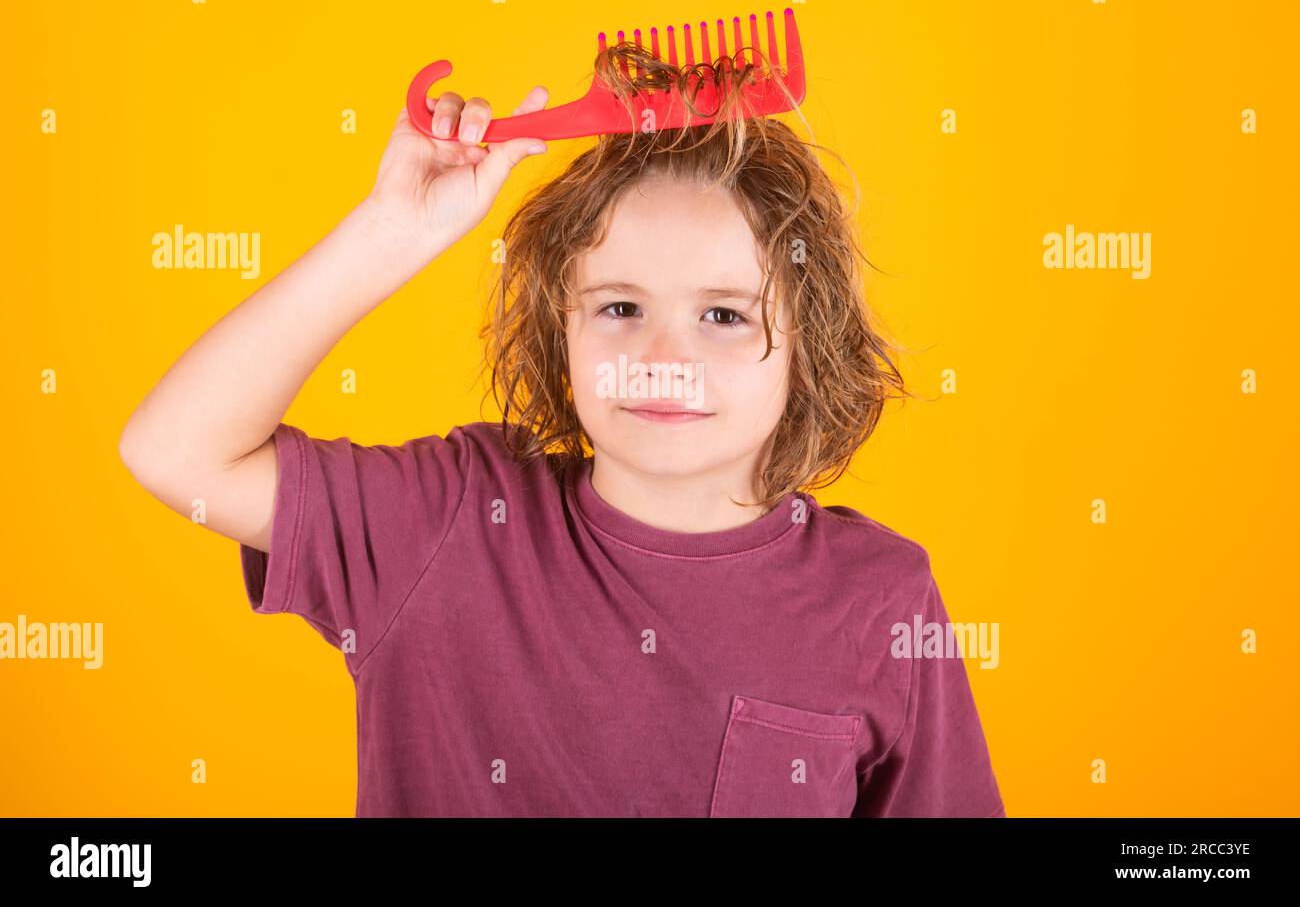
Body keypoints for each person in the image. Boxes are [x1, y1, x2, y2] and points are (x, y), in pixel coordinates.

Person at [119, 41, 1005, 817]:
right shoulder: (448, 519)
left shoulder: (883, 597)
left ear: (809, 350)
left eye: (726, 316)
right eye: (620, 306)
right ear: (561, 331)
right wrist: (389, 231)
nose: (664, 354)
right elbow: (175, 452)